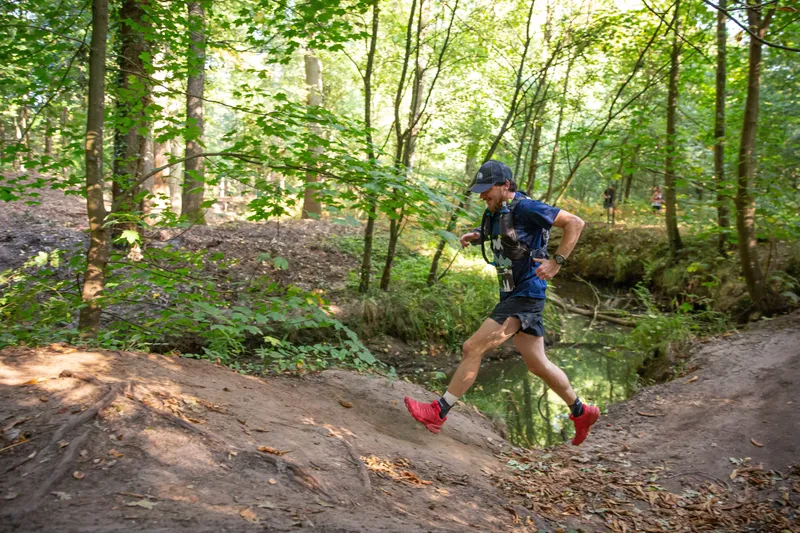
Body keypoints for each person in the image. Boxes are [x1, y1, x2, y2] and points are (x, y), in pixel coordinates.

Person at [404, 160, 600, 445]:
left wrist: (557, 262)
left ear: (506, 185)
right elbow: (508, 233)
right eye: (480, 191)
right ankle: (581, 411)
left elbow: (575, 223)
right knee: (538, 365)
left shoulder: (527, 207)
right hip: (512, 293)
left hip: (526, 294)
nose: (482, 196)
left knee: (472, 347)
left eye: (487, 190)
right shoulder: (497, 210)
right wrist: (478, 234)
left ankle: (438, 412)